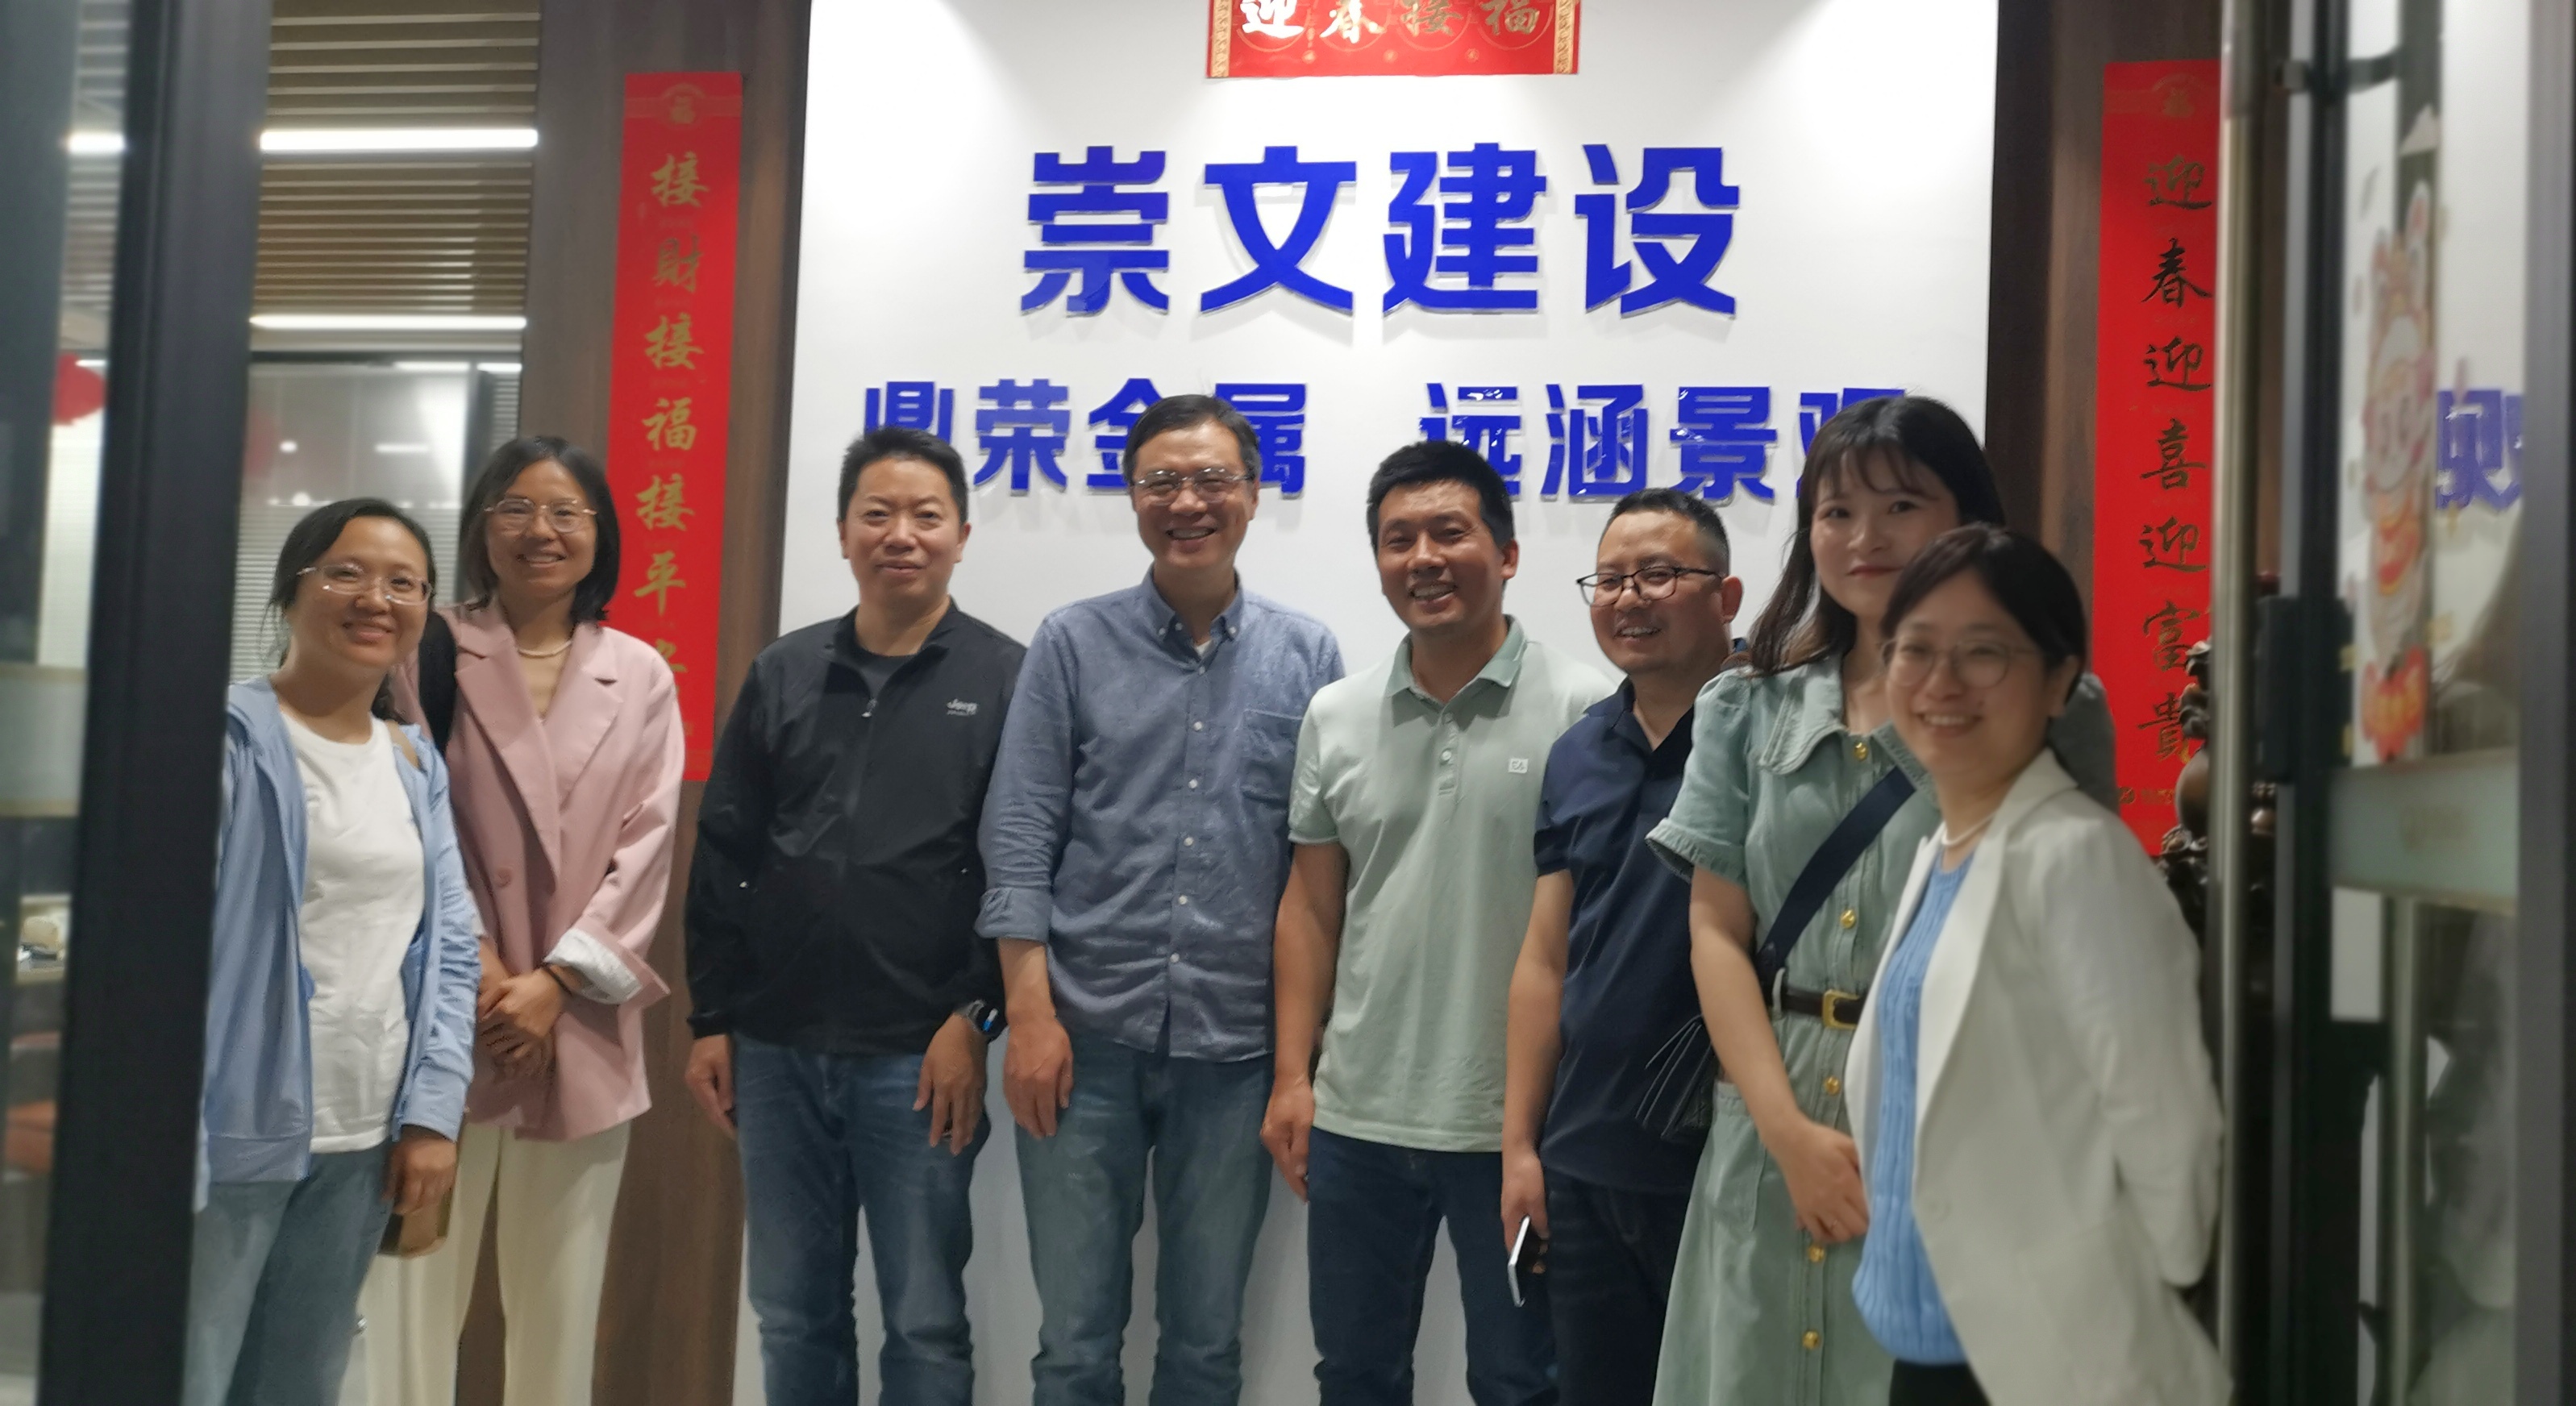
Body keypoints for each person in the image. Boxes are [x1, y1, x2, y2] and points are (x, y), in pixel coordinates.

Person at [1642, 397, 2117, 1406]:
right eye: (1837, 512)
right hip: (1771, 1113)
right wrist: (1786, 1133)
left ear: (1967, 519)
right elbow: (1716, 932)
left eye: (1902, 505)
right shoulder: (1747, 703)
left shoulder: (2052, 705)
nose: (1865, 538)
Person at [978, 394, 1342, 1406]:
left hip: (1235, 1052)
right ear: (1132, 496)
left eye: (1213, 479)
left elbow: (1318, 873)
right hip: (1080, 1039)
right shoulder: (1071, 641)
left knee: (1205, 1346)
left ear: (1253, 494)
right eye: (1162, 481)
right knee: (1073, 1345)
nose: (1188, 501)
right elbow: (1020, 832)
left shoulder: (1307, 655)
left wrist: (1296, 1062)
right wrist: (1030, 1016)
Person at [1266, 439, 1610, 1406]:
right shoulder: (1336, 714)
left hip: (1521, 1127)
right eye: (1398, 539)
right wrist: (1294, 1076)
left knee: (1520, 1378)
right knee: (1356, 1374)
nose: (1422, 558)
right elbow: (1310, 908)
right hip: (1358, 1118)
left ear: (1507, 553)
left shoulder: (1587, 708)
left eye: (1449, 533)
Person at [685, 426, 1024, 1405]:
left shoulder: (1009, 677)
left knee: (924, 1318)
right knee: (792, 1311)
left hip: (921, 1055)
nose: (900, 534)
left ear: (962, 535)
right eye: (877, 513)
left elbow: (1021, 868)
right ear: (842, 532)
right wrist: (712, 1019)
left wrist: (976, 1018)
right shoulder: (786, 670)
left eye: (926, 515)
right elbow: (727, 850)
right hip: (776, 1049)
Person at [1846, 525, 2224, 1404]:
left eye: (1984, 652)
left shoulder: (2076, 855)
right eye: (1915, 649)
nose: (1942, 682)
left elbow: (2164, 1119)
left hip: (2045, 1353)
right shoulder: (1944, 847)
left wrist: (2134, 1295)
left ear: (2059, 681)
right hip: (1930, 1336)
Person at [360, 437, 686, 1406]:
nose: (540, 530)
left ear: (601, 534)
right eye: (516, 508)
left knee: (560, 1309)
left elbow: (649, 844)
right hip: (444, 1012)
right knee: (412, 1295)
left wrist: (554, 983)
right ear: (481, 527)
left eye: (565, 512)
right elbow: (405, 822)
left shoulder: (640, 672)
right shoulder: (425, 649)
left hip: (575, 1022)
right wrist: (488, 971)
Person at [189, 499, 478, 1406]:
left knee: (300, 1385)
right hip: (229, 1132)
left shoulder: (413, 760)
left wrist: (433, 1114)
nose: (375, 599)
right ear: (291, 590)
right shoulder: (225, 736)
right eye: (347, 573)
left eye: (404, 583)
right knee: (187, 1374)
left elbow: (451, 946)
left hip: (365, 1134)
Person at [1500, 489, 1743, 1406]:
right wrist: (1520, 1146)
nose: (1628, 598)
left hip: (1722, 1157)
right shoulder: (1577, 752)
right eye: (1609, 580)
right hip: (1583, 1159)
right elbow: (1544, 959)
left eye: (1659, 574)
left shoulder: (1770, 734)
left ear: (1726, 595)